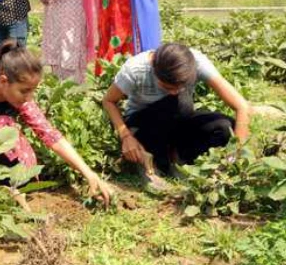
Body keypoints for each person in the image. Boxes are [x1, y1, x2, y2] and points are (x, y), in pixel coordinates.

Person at [0, 40, 112, 206]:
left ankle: (10, 185)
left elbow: (49, 133)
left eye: (32, 91)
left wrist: (89, 174)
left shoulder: (14, 94)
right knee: (2, 124)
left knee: (5, 131)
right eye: (24, 91)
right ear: (3, 81)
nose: (29, 97)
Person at [101, 43, 251, 182]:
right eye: (167, 87)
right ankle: (152, 160)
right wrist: (126, 136)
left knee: (224, 127)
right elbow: (108, 101)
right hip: (144, 126)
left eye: (180, 86)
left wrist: (235, 155)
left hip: (178, 121)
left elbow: (242, 107)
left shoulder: (196, 63)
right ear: (154, 70)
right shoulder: (136, 69)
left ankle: (177, 158)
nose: (174, 91)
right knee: (179, 102)